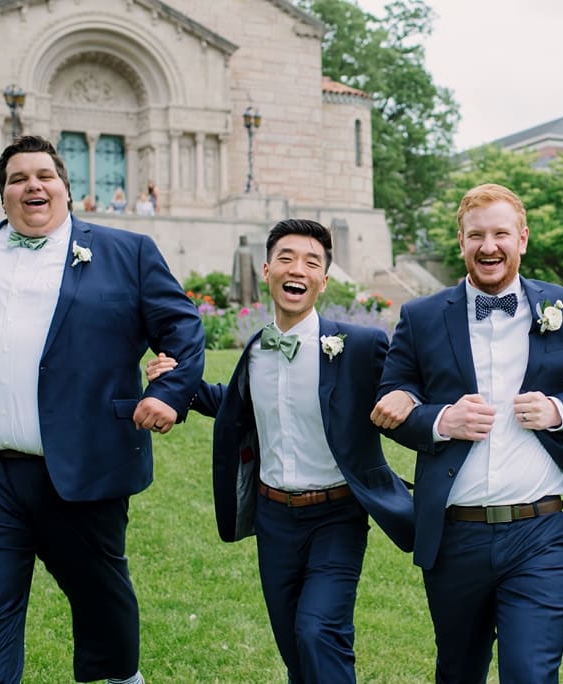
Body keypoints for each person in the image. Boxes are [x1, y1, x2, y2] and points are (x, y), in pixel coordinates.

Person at [0, 135, 206, 684]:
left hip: (82, 468)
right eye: (17, 179)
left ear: (66, 187)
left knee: (100, 599)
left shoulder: (127, 252)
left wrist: (169, 392)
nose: (32, 186)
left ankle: (119, 676)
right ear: (2, 195)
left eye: (44, 175)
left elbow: (182, 327)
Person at [370, 183, 563, 683]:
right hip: (455, 533)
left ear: (522, 238)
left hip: (539, 530)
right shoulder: (421, 317)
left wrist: (558, 408)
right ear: (461, 241)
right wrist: (441, 420)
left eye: (501, 234)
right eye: (476, 236)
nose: (489, 246)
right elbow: (391, 399)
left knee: (530, 674)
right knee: (459, 672)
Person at [147, 219, 414, 683]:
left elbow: (404, 388)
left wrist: (411, 399)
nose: (298, 269)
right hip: (273, 519)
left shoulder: (359, 346)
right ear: (268, 271)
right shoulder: (256, 351)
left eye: (311, 262)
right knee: (295, 647)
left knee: (319, 632)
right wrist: (174, 384)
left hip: (337, 516)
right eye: (286, 259)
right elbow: (233, 403)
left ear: (323, 281)